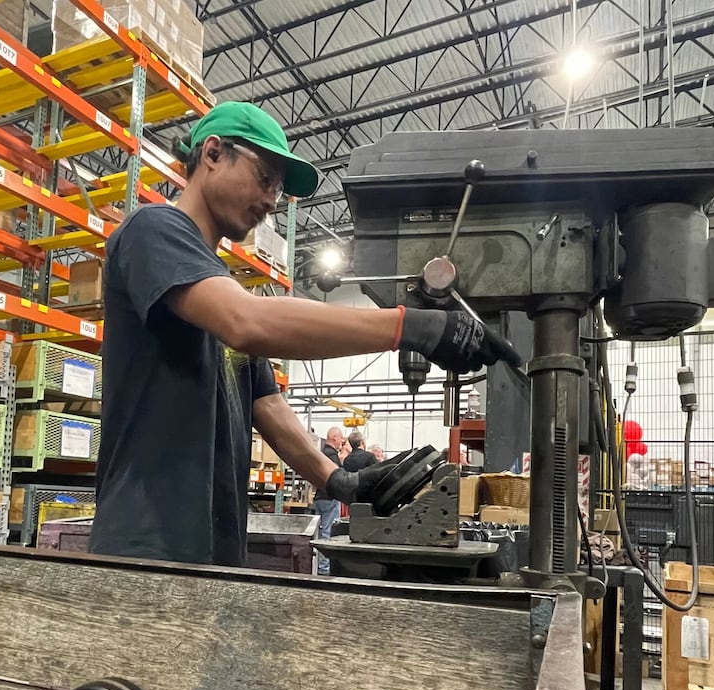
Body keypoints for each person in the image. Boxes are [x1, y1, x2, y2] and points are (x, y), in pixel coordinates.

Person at [88, 101, 520, 566]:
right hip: (143, 544)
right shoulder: (153, 230)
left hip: (211, 547)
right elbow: (247, 322)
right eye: (266, 177)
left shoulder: (215, 281)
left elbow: (266, 405)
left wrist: (339, 481)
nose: (274, 199)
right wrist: (412, 326)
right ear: (212, 153)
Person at [313, 427, 346, 574]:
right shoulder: (332, 456)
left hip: (320, 498)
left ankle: (316, 565)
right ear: (333, 437)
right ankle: (324, 568)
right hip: (330, 498)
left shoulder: (322, 454)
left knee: (319, 534)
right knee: (328, 534)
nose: (342, 441)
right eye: (340, 438)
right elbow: (338, 478)